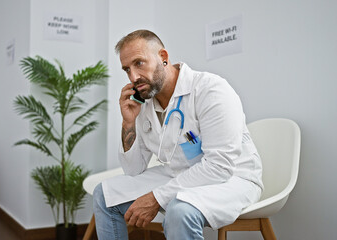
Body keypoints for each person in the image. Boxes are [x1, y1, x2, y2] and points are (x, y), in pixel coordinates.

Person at [93, 29, 263, 240]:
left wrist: (157, 198)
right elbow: (134, 170)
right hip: (178, 175)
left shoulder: (211, 90)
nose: (133, 77)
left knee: (178, 211)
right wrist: (128, 122)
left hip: (232, 178)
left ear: (163, 57)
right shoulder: (145, 103)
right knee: (105, 195)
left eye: (139, 63)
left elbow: (220, 166)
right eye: (127, 69)